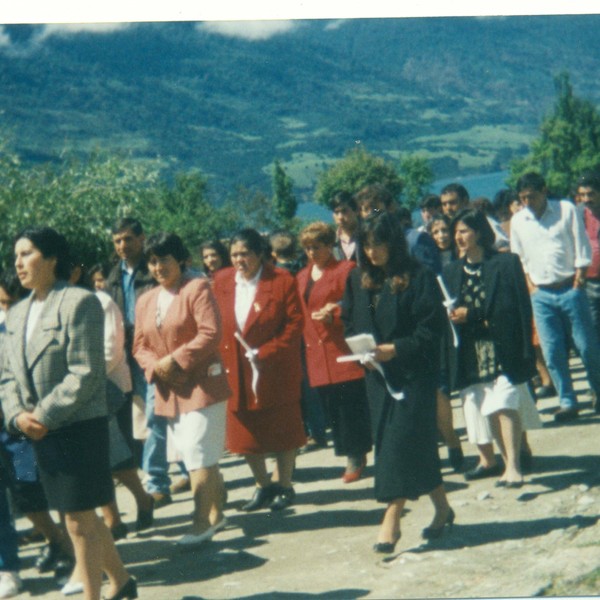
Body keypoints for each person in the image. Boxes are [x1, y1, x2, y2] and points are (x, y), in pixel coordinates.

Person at [0, 227, 136, 600]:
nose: (18, 262)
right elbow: (7, 375)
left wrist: (42, 414)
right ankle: (122, 582)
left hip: (76, 426)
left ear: (51, 258)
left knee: (76, 519)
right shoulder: (16, 315)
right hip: (37, 430)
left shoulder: (79, 302)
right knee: (79, 516)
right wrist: (17, 416)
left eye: (26, 253)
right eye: (15, 256)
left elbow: (86, 372)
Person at [342, 213, 453, 554]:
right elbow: (349, 321)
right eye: (366, 245)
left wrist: (398, 349)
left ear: (394, 243)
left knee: (398, 444)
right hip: (377, 377)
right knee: (408, 444)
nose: (372, 252)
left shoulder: (418, 277)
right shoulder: (359, 279)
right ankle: (443, 508)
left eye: (379, 244)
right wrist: (360, 348)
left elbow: (432, 330)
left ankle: (391, 519)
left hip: (413, 375)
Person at [133, 233, 231, 545]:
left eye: (164, 259)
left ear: (181, 260)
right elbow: (139, 346)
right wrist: (155, 367)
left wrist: (174, 361)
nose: (158, 266)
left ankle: (201, 523)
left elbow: (210, 332)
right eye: (152, 260)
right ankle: (218, 507)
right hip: (168, 391)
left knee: (198, 453)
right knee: (195, 454)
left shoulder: (197, 287)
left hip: (202, 384)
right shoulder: (146, 299)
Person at [443, 209, 542, 486]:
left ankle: (514, 465)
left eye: (464, 231)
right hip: (471, 351)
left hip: (503, 345)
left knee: (506, 402)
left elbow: (515, 310)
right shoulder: (451, 272)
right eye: (456, 233)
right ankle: (505, 461)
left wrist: (472, 314)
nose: (458, 237)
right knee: (488, 407)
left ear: (479, 232)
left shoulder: (506, 263)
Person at [213, 228, 306, 512]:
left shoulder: (281, 280)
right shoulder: (221, 280)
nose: (239, 260)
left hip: (273, 367)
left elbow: (294, 324)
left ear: (259, 254)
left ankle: (285, 485)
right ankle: (262, 485)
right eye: (234, 255)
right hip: (236, 369)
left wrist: (266, 352)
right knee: (244, 432)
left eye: (245, 254)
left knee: (282, 428)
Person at [510, 172, 600, 421]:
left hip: (570, 287)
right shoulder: (519, 221)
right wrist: (531, 285)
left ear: (544, 191)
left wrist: (579, 278)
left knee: (587, 347)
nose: (527, 201)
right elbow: (519, 257)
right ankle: (568, 401)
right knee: (552, 352)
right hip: (541, 293)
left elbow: (581, 243)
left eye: (532, 196)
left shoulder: (566, 209)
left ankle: (598, 391)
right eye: (522, 197)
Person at [296, 222, 372, 482]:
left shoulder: (346, 270)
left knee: (350, 406)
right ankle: (350, 451)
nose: (311, 253)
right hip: (316, 353)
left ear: (330, 245)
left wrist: (335, 313)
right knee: (332, 407)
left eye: (317, 247)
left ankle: (356, 454)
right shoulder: (302, 276)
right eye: (307, 248)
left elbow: (355, 305)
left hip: (340, 348)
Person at [106, 217, 172, 506]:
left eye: (128, 239)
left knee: (156, 415)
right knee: (140, 419)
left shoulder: (153, 269)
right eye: (117, 240)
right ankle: (162, 475)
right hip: (126, 354)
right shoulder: (112, 277)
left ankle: (157, 482)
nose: (123, 245)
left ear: (141, 238)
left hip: (154, 350)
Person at [441, 182, 509, 251]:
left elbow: (504, 244)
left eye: (452, 203)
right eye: (444, 204)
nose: (448, 208)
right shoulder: (443, 228)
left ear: (465, 201)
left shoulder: (481, 220)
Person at [577, 172, 600, 369]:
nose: (586, 199)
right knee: (592, 333)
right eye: (582, 194)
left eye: (591, 194)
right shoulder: (578, 214)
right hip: (589, 281)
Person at [330, 191, 360, 262]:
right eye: (336, 212)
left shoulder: (367, 236)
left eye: (344, 211)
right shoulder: (332, 242)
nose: (340, 217)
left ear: (356, 211)